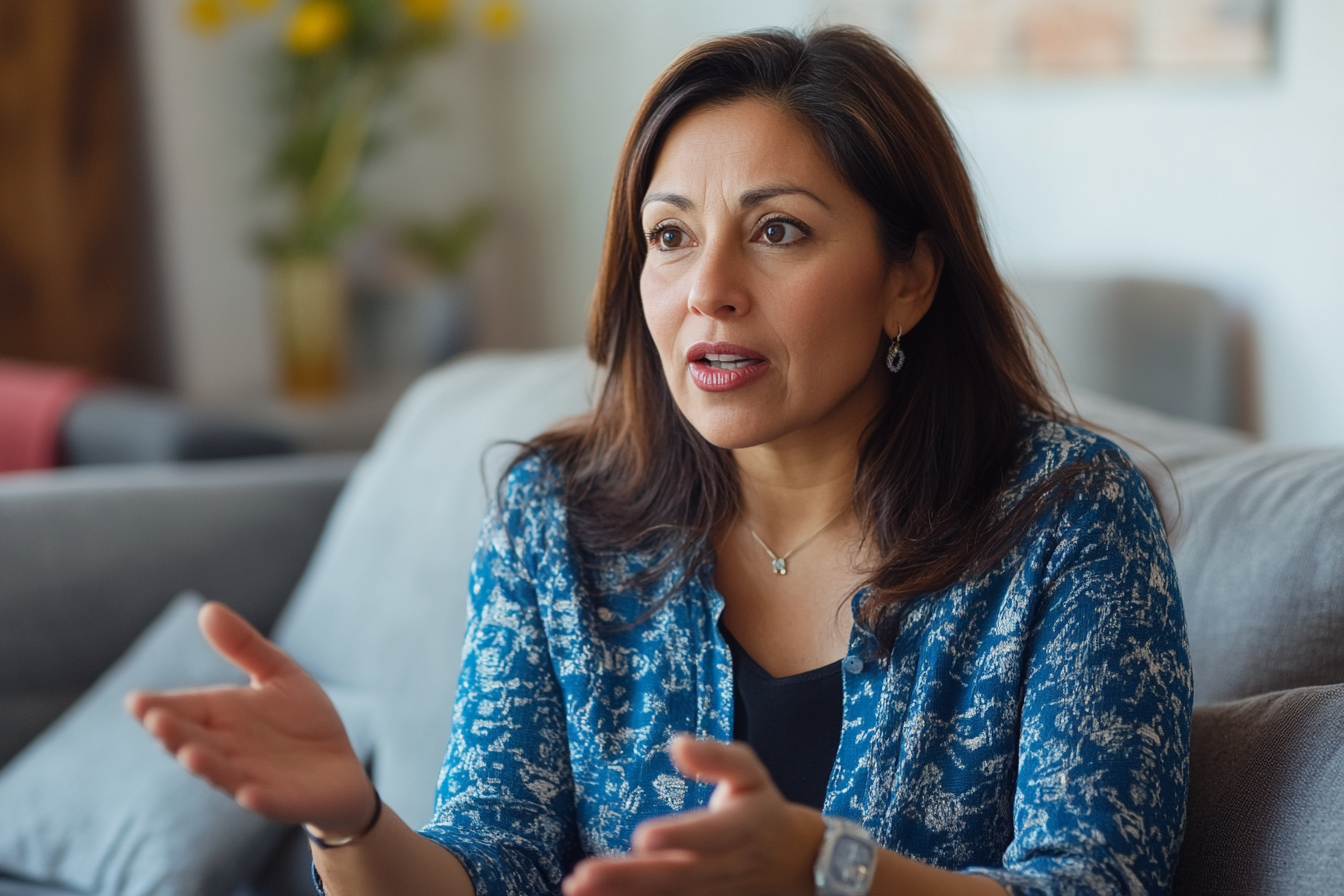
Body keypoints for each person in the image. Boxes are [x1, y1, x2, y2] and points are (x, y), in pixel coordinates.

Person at [128, 26, 1192, 896]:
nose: (707, 289)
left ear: (908, 279)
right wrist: (349, 814)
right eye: (671, 236)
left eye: (778, 232)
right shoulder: (560, 519)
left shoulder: (1068, 515)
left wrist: (831, 869)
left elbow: (1097, 882)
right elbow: (493, 866)